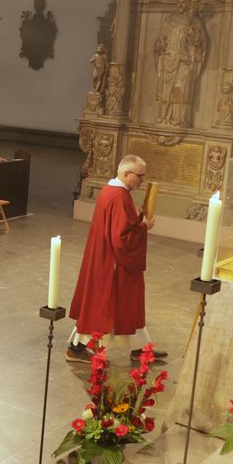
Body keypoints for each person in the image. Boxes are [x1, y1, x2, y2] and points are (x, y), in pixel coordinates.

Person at [66, 155, 162, 364]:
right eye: (140, 176)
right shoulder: (119, 196)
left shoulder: (110, 190)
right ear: (127, 174)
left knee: (122, 305)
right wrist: (144, 227)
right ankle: (77, 348)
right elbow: (122, 238)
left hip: (104, 256)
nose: (142, 181)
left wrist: (137, 218)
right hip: (113, 263)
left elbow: (119, 225)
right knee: (101, 308)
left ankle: (140, 348)